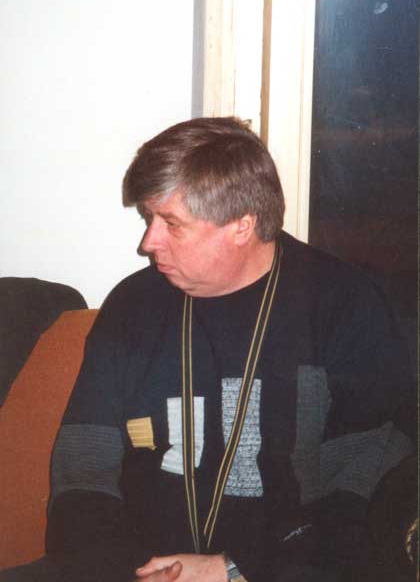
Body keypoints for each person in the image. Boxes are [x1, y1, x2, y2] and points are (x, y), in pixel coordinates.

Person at [1, 117, 415, 582]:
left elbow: (363, 483)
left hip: (281, 569)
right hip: (128, 568)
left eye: (171, 224)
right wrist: (120, 569)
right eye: (148, 219)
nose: (147, 243)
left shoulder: (342, 304)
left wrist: (235, 569)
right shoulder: (133, 304)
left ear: (242, 226)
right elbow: (83, 466)